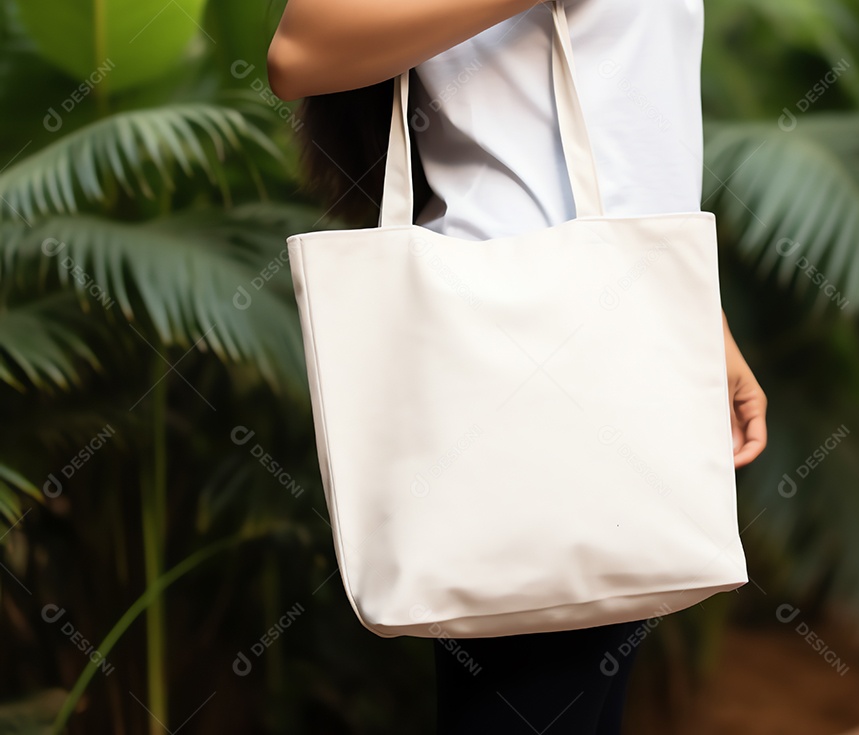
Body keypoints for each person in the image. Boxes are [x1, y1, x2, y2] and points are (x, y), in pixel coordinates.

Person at [267, 1, 767, 732]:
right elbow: (303, 45)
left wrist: (697, 315)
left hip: (618, 337)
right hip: (502, 355)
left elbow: (629, 101)